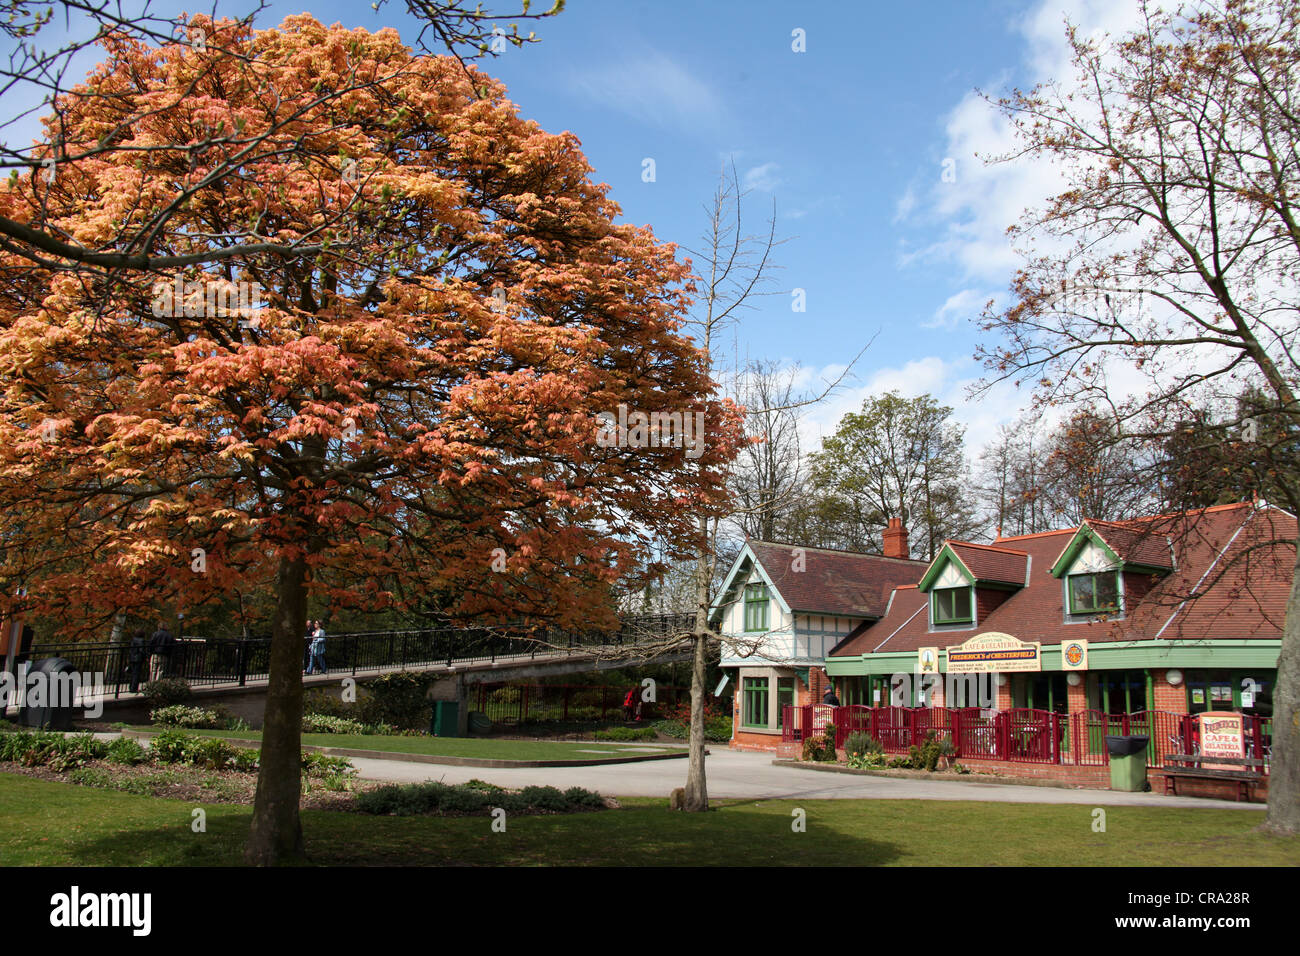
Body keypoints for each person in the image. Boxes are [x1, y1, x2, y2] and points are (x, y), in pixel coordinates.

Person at [127, 628, 148, 693]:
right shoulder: (141, 641)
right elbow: (142, 650)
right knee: (137, 674)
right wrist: (145, 657)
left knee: (133, 673)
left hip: (132, 658)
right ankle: (134, 688)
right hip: (138, 658)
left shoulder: (133, 640)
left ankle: (131, 687)